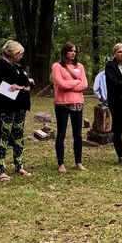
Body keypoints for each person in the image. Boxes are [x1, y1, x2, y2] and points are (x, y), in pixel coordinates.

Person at [0, 40, 34, 180]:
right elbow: (8, 84)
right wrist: (24, 83)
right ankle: (0, 169)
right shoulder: (1, 65)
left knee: (18, 137)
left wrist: (22, 85)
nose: (21, 56)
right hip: (6, 108)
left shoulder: (17, 66)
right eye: (20, 53)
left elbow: (29, 83)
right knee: (4, 137)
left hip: (20, 107)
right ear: (14, 54)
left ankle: (19, 165)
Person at [52, 42, 88, 172]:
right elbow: (60, 84)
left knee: (77, 134)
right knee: (61, 133)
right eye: (71, 51)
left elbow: (84, 84)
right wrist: (76, 82)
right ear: (65, 52)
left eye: (75, 51)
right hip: (62, 103)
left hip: (77, 102)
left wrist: (72, 85)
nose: (73, 53)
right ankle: (61, 163)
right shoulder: (57, 66)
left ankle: (78, 161)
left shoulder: (80, 66)